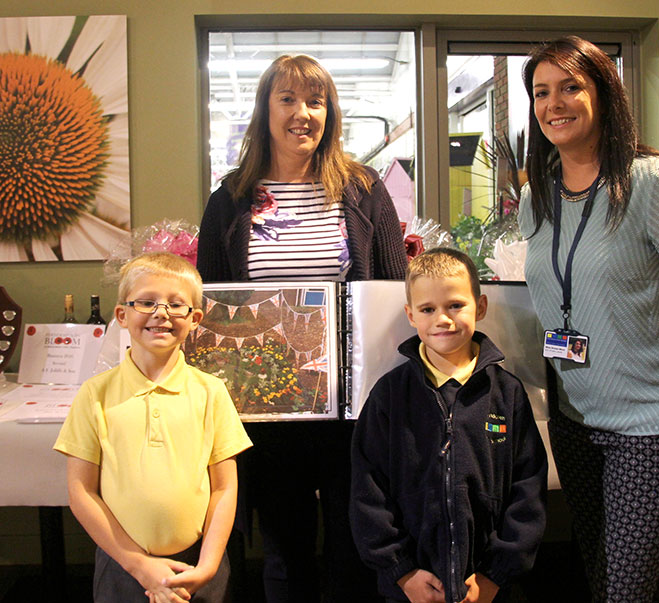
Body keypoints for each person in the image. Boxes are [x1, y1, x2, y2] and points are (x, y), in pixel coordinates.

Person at [518, 36, 659, 602]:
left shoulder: (656, 181)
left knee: (626, 592)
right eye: (541, 92)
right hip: (574, 417)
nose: (553, 104)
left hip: (651, 427)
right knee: (600, 575)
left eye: (570, 87)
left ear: (604, 95)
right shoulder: (537, 195)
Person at [197, 54, 408, 602]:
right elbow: (212, 308)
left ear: (330, 112)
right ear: (265, 108)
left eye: (315, 101)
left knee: (355, 542)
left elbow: (391, 288)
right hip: (267, 409)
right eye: (287, 99)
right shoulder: (230, 201)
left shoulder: (361, 189)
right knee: (284, 549)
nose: (303, 113)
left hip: (353, 409)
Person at [350, 247, 548, 603]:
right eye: (428, 309)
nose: (443, 319)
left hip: (489, 588)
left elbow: (527, 490)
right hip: (408, 589)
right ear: (411, 315)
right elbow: (368, 488)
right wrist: (402, 572)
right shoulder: (390, 395)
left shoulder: (507, 394)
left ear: (481, 306)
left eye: (455, 305)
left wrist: (495, 575)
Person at [53, 252, 252, 602]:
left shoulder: (211, 392)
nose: (161, 313)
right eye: (146, 302)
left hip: (200, 565)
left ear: (195, 319)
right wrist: (137, 564)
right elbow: (81, 492)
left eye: (176, 305)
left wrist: (207, 566)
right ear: (122, 315)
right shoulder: (95, 394)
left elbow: (224, 489)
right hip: (123, 567)